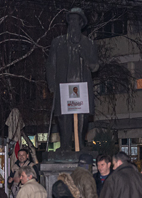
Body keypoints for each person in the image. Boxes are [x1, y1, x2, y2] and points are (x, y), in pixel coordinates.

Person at [46, 7, 99, 151]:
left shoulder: (88, 43)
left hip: (81, 85)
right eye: (71, 20)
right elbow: (51, 65)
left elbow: (95, 66)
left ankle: (80, 143)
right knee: (64, 116)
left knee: (82, 116)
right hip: (63, 84)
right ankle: (65, 144)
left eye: (76, 20)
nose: (73, 23)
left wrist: (85, 56)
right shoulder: (58, 42)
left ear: (81, 23)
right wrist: (51, 84)